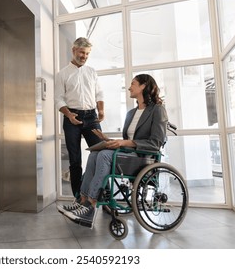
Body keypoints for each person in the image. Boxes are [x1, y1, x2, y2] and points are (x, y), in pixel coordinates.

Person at [59, 74, 168, 228]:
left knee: (103, 155)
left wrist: (124, 142)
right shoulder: (131, 113)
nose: (129, 87)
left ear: (143, 86)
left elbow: (155, 143)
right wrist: (107, 140)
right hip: (128, 155)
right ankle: (82, 202)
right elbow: (127, 140)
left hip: (143, 158)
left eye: (133, 84)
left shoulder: (157, 110)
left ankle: (91, 205)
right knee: (94, 154)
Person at [54, 37, 105, 211]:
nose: (84, 56)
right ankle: (78, 199)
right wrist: (68, 114)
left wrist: (101, 110)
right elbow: (58, 99)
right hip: (71, 118)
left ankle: (100, 198)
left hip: (91, 117)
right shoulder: (62, 74)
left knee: (102, 156)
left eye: (87, 54)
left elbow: (99, 93)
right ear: (74, 50)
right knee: (75, 161)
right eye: (82, 52)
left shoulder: (92, 72)